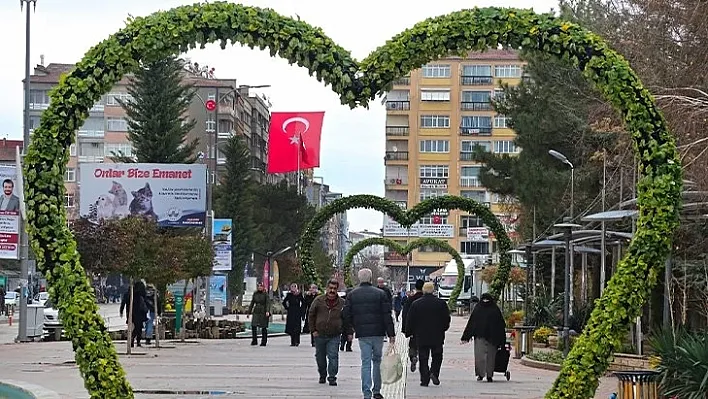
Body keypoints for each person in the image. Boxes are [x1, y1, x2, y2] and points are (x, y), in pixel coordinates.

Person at [343, 268, 395, 399]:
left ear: (359, 279)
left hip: (362, 333)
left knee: (365, 362)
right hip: (378, 333)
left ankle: (367, 392)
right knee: (377, 360)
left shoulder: (352, 294)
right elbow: (386, 315)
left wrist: (350, 330)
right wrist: (391, 334)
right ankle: (376, 390)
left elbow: (346, 314)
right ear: (371, 279)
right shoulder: (380, 294)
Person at [405, 282, 451, 386]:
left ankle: (424, 379)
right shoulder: (441, 303)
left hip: (421, 335)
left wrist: (409, 332)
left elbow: (410, 319)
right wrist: (444, 328)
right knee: (437, 355)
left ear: (424, 290)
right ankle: (434, 372)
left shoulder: (416, 304)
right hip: (437, 335)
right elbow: (446, 319)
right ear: (433, 290)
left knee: (423, 357)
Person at [308, 279, 349, 386]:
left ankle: (332, 377)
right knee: (320, 357)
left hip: (334, 335)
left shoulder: (342, 303)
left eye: (334, 289)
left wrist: (349, 332)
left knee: (333, 356)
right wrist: (313, 330)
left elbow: (347, 319)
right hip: (319, 334)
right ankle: (322, 374)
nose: (332, 291)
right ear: (327, 288)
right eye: (330, 288)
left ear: (337, 290)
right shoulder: (319, 300)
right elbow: (311, 315)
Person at [460, 292, 507, 382]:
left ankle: (489, 375)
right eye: (484, 300)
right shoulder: (478, 308)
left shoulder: (494, 309)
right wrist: (466, 336)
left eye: (487, 300)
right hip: (480, 336)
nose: (485, 301)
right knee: (479, 356)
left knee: (491, 357)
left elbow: (500, 325)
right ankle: (480, 374)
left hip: (492, 338)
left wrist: (502, 340)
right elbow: (472, 323)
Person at [402, 279, 425, 372]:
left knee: (413, 344)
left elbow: (405, 314)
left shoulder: (410, 299)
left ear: (415, 287)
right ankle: (422, 359)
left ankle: (413, 356)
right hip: (424, 328)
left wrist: (405, 329)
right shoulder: (425, 299)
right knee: (423, 346)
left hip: (413, 327)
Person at [119, 281, 149, 348]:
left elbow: (123, 303)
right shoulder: (140, 294)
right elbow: (145, 302)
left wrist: (121, 311)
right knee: (139, 327)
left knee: (135, 327)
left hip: (131, 313)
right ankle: (136, 340)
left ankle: (133, 339)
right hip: (139, 313)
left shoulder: (128, 294)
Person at [248, 282, 272, 346]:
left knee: (263, 327)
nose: (259, 287)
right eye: (258, 286)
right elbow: (252, 303)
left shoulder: (265, 294)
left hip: (263, 311)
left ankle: (264, 341)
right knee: (254, 325)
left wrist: (267, 311)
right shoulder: (255, 293)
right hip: (256, 311)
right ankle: (254, 340)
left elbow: (268, 303)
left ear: (263, 287)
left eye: (261, 286)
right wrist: (249, 312)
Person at [339, 286, 354, 352]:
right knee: (349, 333)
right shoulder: (352, 301)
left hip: (344, 319)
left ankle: (343, 345)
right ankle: (348, 346)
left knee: (344, 334)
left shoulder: (343, 300)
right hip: (349, 319)